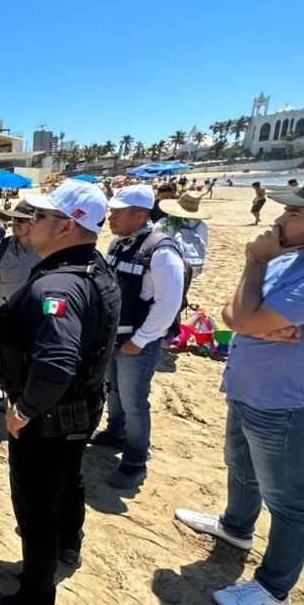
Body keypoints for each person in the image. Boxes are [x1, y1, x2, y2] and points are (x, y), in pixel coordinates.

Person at [176, 172, 304, 605]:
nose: (281, 219)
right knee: (241, 467)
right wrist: (255, 320)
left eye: (295, 212)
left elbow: (243, 320)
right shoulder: (300, 255)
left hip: (292, 402)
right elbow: (235, 315)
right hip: (254, 388)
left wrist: (255, 264)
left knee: (288, 502)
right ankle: (236, 528)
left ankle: (274, 589)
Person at [0, 180, 119, 605]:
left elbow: (56, 363)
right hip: (82, 407)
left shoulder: (58, 284)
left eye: (37, 217)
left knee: (36, 508)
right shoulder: (95, 266)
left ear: (65, 226)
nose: (27, 223)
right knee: (69, 480)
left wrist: (23, 411)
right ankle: (67, 546)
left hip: (49, 416)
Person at [91, 185, 185, 489]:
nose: (111, 217)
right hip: (113, 338)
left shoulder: (162, 251)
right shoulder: (118, 244)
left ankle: (135, 461)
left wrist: (141, 340)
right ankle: (115, 432)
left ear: (140, 214)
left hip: (136, 342)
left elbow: (168, 305)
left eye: (117, 212)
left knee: (134, 400)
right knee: (114, 390)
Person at [0, 201, 41, 330]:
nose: (15, 222)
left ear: (35, 222)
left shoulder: (46, 251)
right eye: (14, 218)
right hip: (6, 317)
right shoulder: (1, 249)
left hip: (36, 318)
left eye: (21, 219)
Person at [155, 191, 212, 279]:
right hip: (189, 268)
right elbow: (204, 246)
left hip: (164, 266)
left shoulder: (164, 223)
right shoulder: (202, 226)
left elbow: (153, 243)